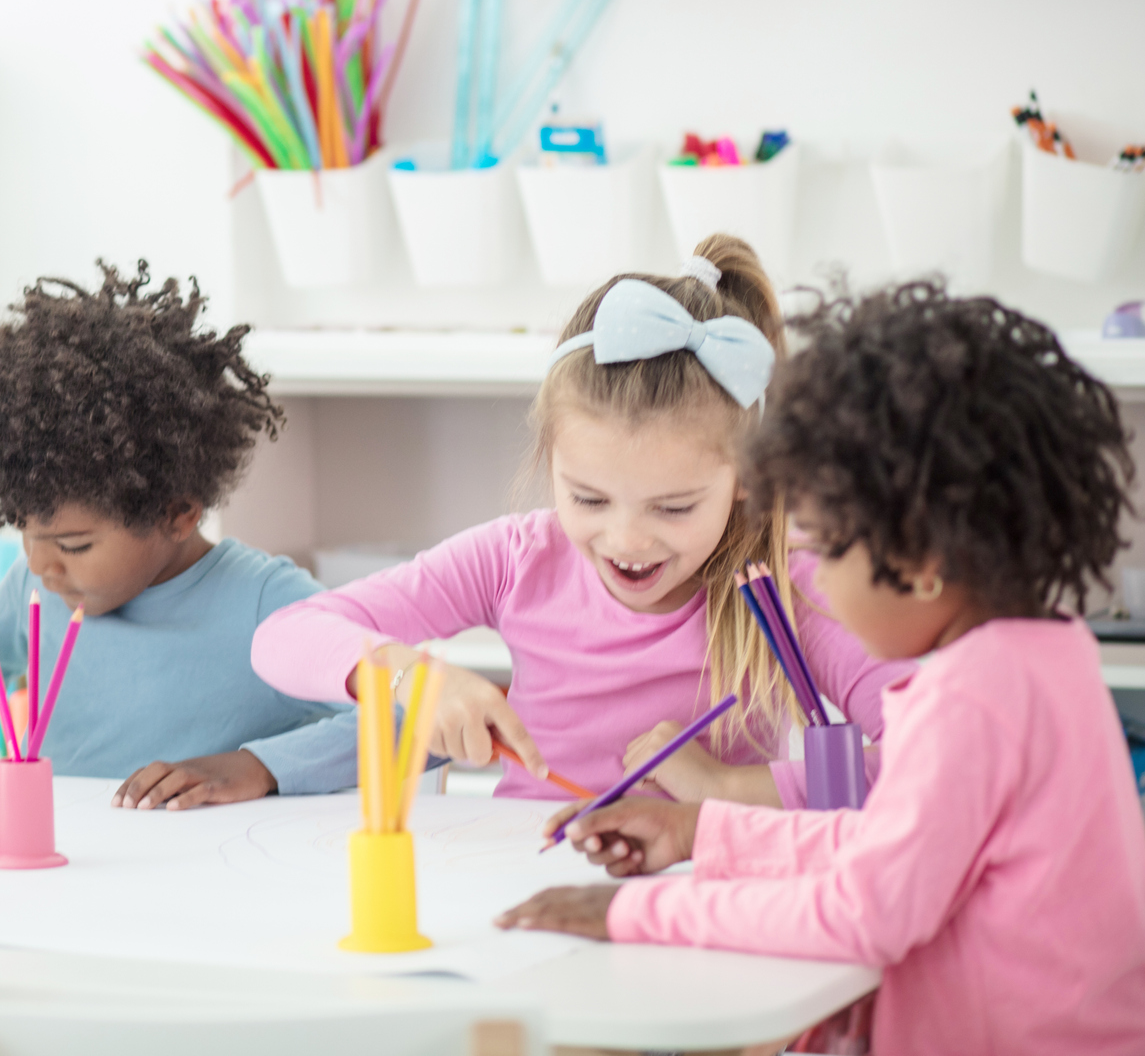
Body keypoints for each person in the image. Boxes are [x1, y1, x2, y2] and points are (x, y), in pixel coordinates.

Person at [500, 282, 1145, 1056]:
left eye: (830, 549)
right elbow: (892, 847)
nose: (821, 583)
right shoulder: (1045, 652)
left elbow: (861, 913)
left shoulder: (970, 701)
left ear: (919, 562)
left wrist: (626, 917)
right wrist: (701, 833)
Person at [252, 236, 910, 804]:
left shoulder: (781, 583)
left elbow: (933, 752)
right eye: (588, 499)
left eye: (674, 507)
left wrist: (728, 789)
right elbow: (284, 635)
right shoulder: (516, 558)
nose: (626, 540)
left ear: (744, 481)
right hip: (527, 887)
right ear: (550, 459)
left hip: (691, 894)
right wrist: (407, 675)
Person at [0, 262, 374, 809]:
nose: (40, 565)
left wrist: (259, 766)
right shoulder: (42, 590)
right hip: (69, 876)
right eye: (27, 535)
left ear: (177, 513)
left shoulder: (265, 606)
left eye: (74, 545)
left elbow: (412, 711)